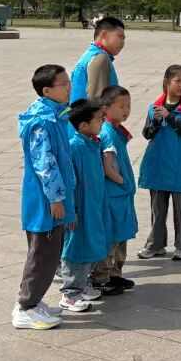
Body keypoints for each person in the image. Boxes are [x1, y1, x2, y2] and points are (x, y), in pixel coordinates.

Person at [12, 65, 76, 330]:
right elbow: (44, 163)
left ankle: (34, 302)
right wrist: (56, 199)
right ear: (47, 90)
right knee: (42, 256)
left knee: (49, 254)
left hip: (53, 199)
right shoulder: (41, 121)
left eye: (69, 82)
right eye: (64, 84)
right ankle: (25, 307)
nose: (69, 87)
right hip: (45, 201)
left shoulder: (56, 115)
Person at [138, 65, 181, 261]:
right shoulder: (154, 107)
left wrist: (170, 117)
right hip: (159, 164)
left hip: (180, 166)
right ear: (167, 81)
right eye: (178, 81)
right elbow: (147, 134)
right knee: (157, 209)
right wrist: (157, 121)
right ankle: (155, 245)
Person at [59, 100, 108, 313]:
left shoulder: (92, 144)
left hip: (93, 206)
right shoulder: (74, 147)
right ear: (84, 125)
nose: (102, 122)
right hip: (80, 208)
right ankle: (70, 294)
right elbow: (69, 183)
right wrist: (71, 211)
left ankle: (81, 285)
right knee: (76, 249)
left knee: (90, 246)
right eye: (98, 119)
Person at [92, 85, 138, 295]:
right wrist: (123, 182)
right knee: (112, 237)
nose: (126, 110)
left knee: (121, 235)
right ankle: (101, 278)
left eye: (128, 105)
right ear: (106, 108)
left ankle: (115, 274)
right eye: (121, 106)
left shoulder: (115, 129)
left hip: (121, 194)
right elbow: (107, 167)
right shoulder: (107, 133)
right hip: (114, 194)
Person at [69, 16, 125, 103]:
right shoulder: (100, 58)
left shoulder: (91, 54)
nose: (123, 42)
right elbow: (96, 103)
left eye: (124, 38)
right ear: (104, 35)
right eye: (120, 37)